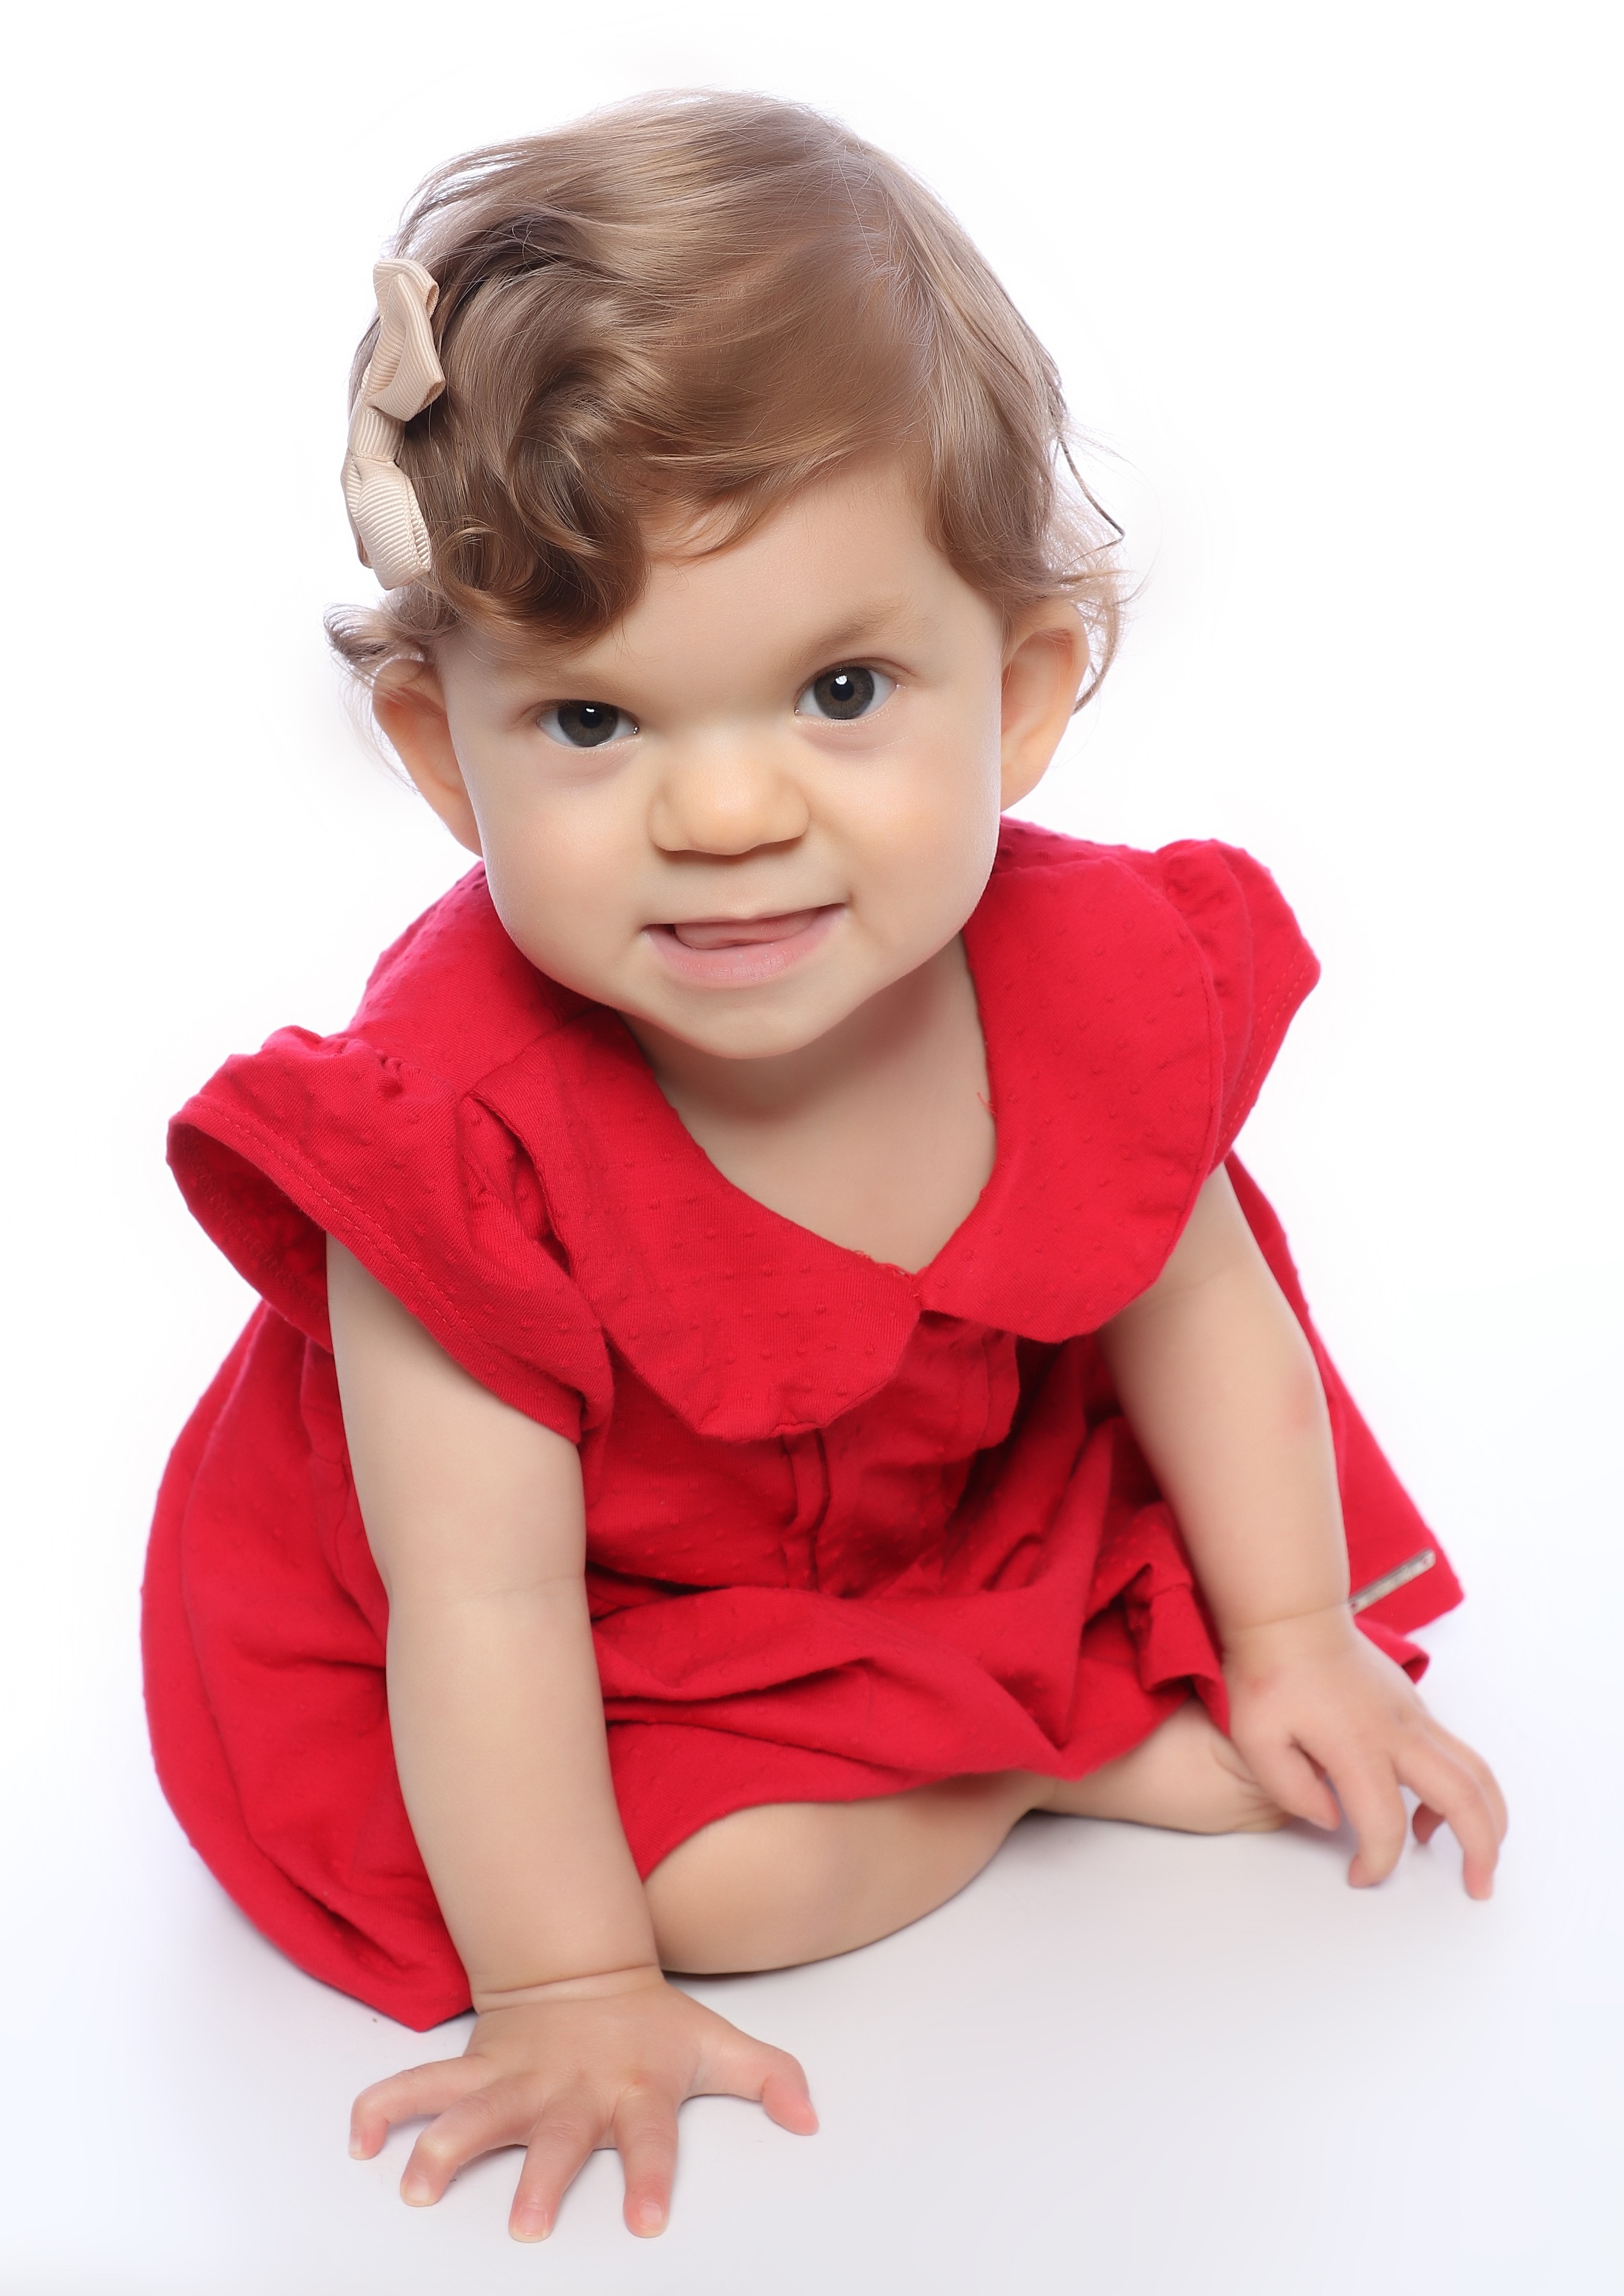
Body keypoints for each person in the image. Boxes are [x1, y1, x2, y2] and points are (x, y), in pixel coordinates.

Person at [142, 91, 1506, 2243]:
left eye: (840, 690)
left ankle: (1046, 1693)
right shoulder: (455, 1141)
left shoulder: (1078, 974)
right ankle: (1040, 1754)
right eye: (593, 724)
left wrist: (1291, 1634)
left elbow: (1202, 1303)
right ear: (442, 754)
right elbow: (483, 1604)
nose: (724, 816)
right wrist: (568, 1987)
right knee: (726, 1891)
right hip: (583, 1633)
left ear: (1022, 692)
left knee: (1233, 1532)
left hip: (930, 1506)